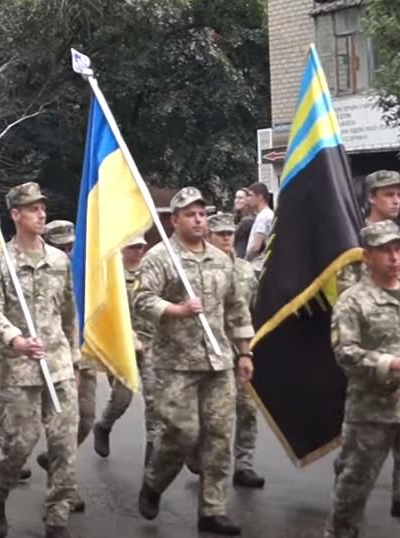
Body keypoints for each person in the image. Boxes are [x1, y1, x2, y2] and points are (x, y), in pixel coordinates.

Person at [134, 187, 254, 536]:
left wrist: (244, 351)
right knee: (181, 434)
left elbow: (236, 307)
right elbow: (141, 300)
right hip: (175, 363)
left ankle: (212, 510)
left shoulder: (221, 259)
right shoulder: (160, 258)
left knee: (219, 436)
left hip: (218, 361)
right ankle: (154, 482)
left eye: (202, 214)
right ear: (175, 220)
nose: (199, 220)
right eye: (191, 214)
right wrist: (176, 310)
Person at [0, 182, 80, 538]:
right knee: (20, 444)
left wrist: (75, 357)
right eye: (33, 208)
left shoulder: (58, 260)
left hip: (58, 362)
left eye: (42, 207)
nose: (41, 213)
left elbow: (69, 312)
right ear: (15, 214)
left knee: (64, 444)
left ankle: (57, 518)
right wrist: (15, 339)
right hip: (18, 366)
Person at [327, 220, 400, 537]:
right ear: (368, 257)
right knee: (353, 487)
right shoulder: (353, 301)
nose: (394, 257)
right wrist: (394, 363)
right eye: (385, 250)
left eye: (397, 249)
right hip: (371, 412)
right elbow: (345, 352)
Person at [337, 169, 400, 518]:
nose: (396, 200)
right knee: (362, 444)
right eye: (388, 194)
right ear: (371, 197)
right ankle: (348, 481)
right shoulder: (354, 243)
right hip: (369, 354)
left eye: (399, 193)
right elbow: (346, 304)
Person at [31, 219, 93, 514]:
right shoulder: (43, 267)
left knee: (85, 419)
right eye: (62, 247)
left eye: (72, 246)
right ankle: (63, 490)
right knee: (57, 428)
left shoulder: (87, 265)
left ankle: (61, 476)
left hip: (85, 350)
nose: (68, 252)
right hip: (48, 355)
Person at [206, 213, 264, 488]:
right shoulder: (201, 269)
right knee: (213, 414)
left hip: (241, 349)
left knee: (248, 409)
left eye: (230, 233)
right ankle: (206, 459)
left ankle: (244, 464)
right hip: (210, 349)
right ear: (210, 237)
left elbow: (254, 308)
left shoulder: (246, 271)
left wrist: (250, 348)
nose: (228, 238)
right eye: (221, 234)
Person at [91, 234, 151, 461]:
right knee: (121, 398)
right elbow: (105, 312)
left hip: (152, 342)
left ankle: (154, 459)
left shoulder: (150, 270)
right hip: (121, 345)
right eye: (133, 247)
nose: (138, 251)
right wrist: (126, 335)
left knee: (156, 401)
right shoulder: (111, 275)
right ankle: (104, 426)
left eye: (141, 247)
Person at [244, 182, 273, 274]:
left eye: (250, 195)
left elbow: (256, 246)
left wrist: (244, 261)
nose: (248, 199)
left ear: (260, 197)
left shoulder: (263, 217)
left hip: (258, 267)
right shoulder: (270, 214)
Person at [233, 189, 254, 260]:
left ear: (248, 200)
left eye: (240, 198)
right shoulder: (237, 219)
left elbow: (232, 236)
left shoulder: (248, 220)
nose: (237, 200)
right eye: (236, 197)